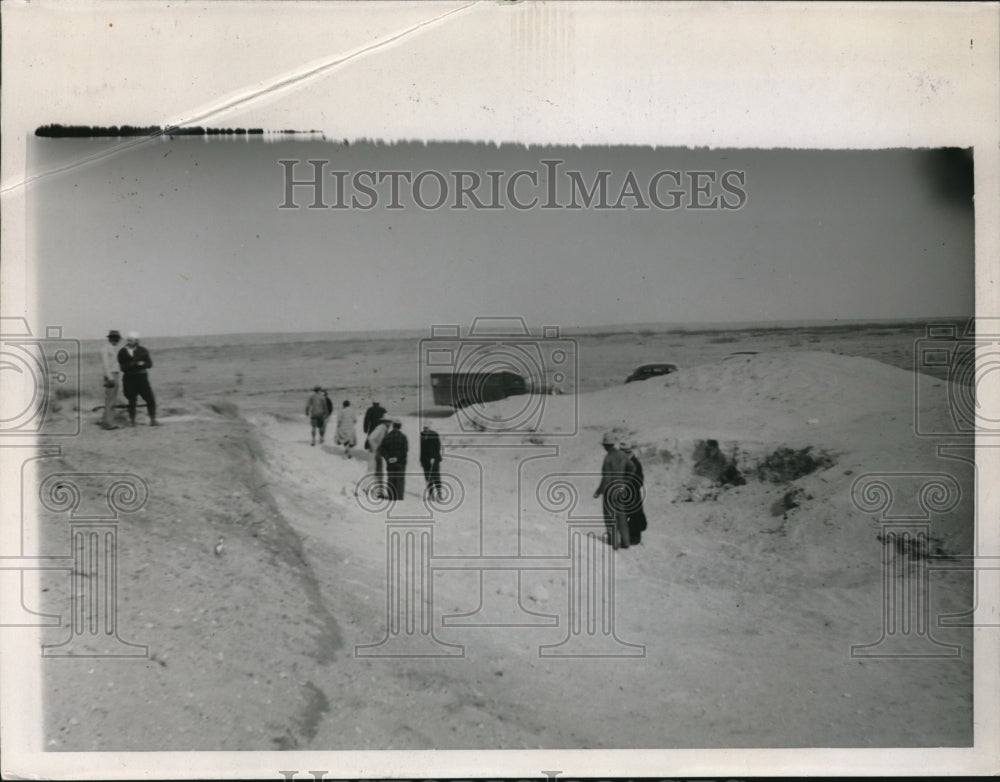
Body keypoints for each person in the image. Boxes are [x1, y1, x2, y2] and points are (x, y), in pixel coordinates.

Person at [593, 432, 634, 549]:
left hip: (610, 491)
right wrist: (625, 482)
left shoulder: (608, 458)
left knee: (610, 517)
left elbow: (606, 478)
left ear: (606, 445)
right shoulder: (622, 454)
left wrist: (598, 491)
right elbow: (632, 468)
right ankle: (626, 542)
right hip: (620, 489)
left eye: (604, 445)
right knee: (621, 515)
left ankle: (614, 543)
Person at [117, 331, 158, 427]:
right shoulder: (122, 352)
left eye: (131, 340)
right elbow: (122, 367)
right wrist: (134, 364)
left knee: (150, 399)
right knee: (132, 400)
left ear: (136, 340)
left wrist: (142, 364)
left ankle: (153, 420)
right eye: (128, 340)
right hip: (129, 378)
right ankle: (132, 421)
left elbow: (150, 364)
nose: (129, 341)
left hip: (142, 378)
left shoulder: (143, 350)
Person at [620, 441, 647, 545]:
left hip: (633, 494)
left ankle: (635, 538)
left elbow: (639, 480)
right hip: (624, 493)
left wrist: (628, 486)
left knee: (635, 515)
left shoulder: (634, 463)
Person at [380, 419, 408, 501]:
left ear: (393, 426)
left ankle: (391, 497)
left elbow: (382, 450)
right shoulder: (403, 437)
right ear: (400, 426)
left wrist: (388, 458)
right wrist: (397, 458)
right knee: (400, 480)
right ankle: (399, 498)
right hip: (400, 462)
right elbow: (405, 450)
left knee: (391, 479)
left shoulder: (387, 436)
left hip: (390, 463)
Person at [100, 329, 122, 430]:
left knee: (111, 399)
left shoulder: (115, 348)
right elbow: (105, 365)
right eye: (114, 338)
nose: (116, 340)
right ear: (111, 338)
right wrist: (110, 377)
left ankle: (106, 421)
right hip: (111, 375)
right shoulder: (105, 348)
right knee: (110, 400)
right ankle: (109, 423)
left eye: (117, 338)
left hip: (116, 374)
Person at [366, 412, 390, 491]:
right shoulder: (380, 428)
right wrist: (375, 448)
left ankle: (378, 490)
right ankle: (368, 488)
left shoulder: (384, 429)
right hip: (374, 452)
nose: (390, 423)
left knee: (378, 471)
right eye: (388, 421)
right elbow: (371, 438)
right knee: (373, 470)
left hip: (378, 453)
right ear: (385, 421)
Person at [419, 424, 443, 500]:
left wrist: (434, 457)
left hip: (434, 459)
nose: (425, 429)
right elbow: (422, 449)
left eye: (427, 428)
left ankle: (439, 494)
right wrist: (422, 460)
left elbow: (437, 447)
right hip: (426, 460)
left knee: (435, 477)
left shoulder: (434, 435)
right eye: (424, 428)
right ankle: (431, 494)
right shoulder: (422, 435)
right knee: (428, 478)